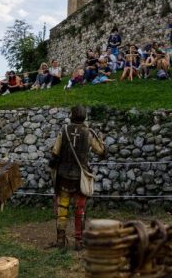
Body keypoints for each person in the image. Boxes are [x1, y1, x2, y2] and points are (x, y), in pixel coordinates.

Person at [49, 105, 105, 250]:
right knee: (80, 210)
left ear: (72, 115)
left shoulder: (64, 130)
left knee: (62, 208)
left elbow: (55, 153)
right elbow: (101, 152)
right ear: (84, 116)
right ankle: (79, 242)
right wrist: (102, 142)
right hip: (80, 178)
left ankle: (61, 240)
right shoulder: (88, 133)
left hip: (63, 177)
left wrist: (52, 166)